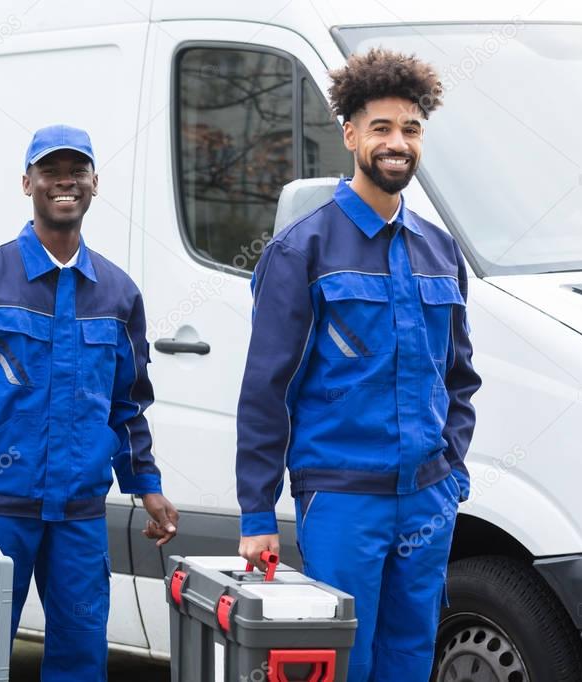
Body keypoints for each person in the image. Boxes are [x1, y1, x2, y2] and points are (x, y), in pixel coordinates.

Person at [235, 49, 482, 681]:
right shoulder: (303, 248)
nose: (398, 142)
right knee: (344, 663)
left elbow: (459, 377)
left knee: (408, 659)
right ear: (350, 134)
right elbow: (267, 391)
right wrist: (258, 514)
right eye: (382, 128)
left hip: (427, 500)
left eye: (411, 129)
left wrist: (449, 471)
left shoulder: (440, 250)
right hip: (343, 500)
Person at [0, 124, 178, 681]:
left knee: (81, 659)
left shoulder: (118, 292)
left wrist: (146, 484)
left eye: (76, 171)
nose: (64, 182)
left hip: (79, 519)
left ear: (94, 184)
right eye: (50, 172)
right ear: (27, 183)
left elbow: (127, 404)